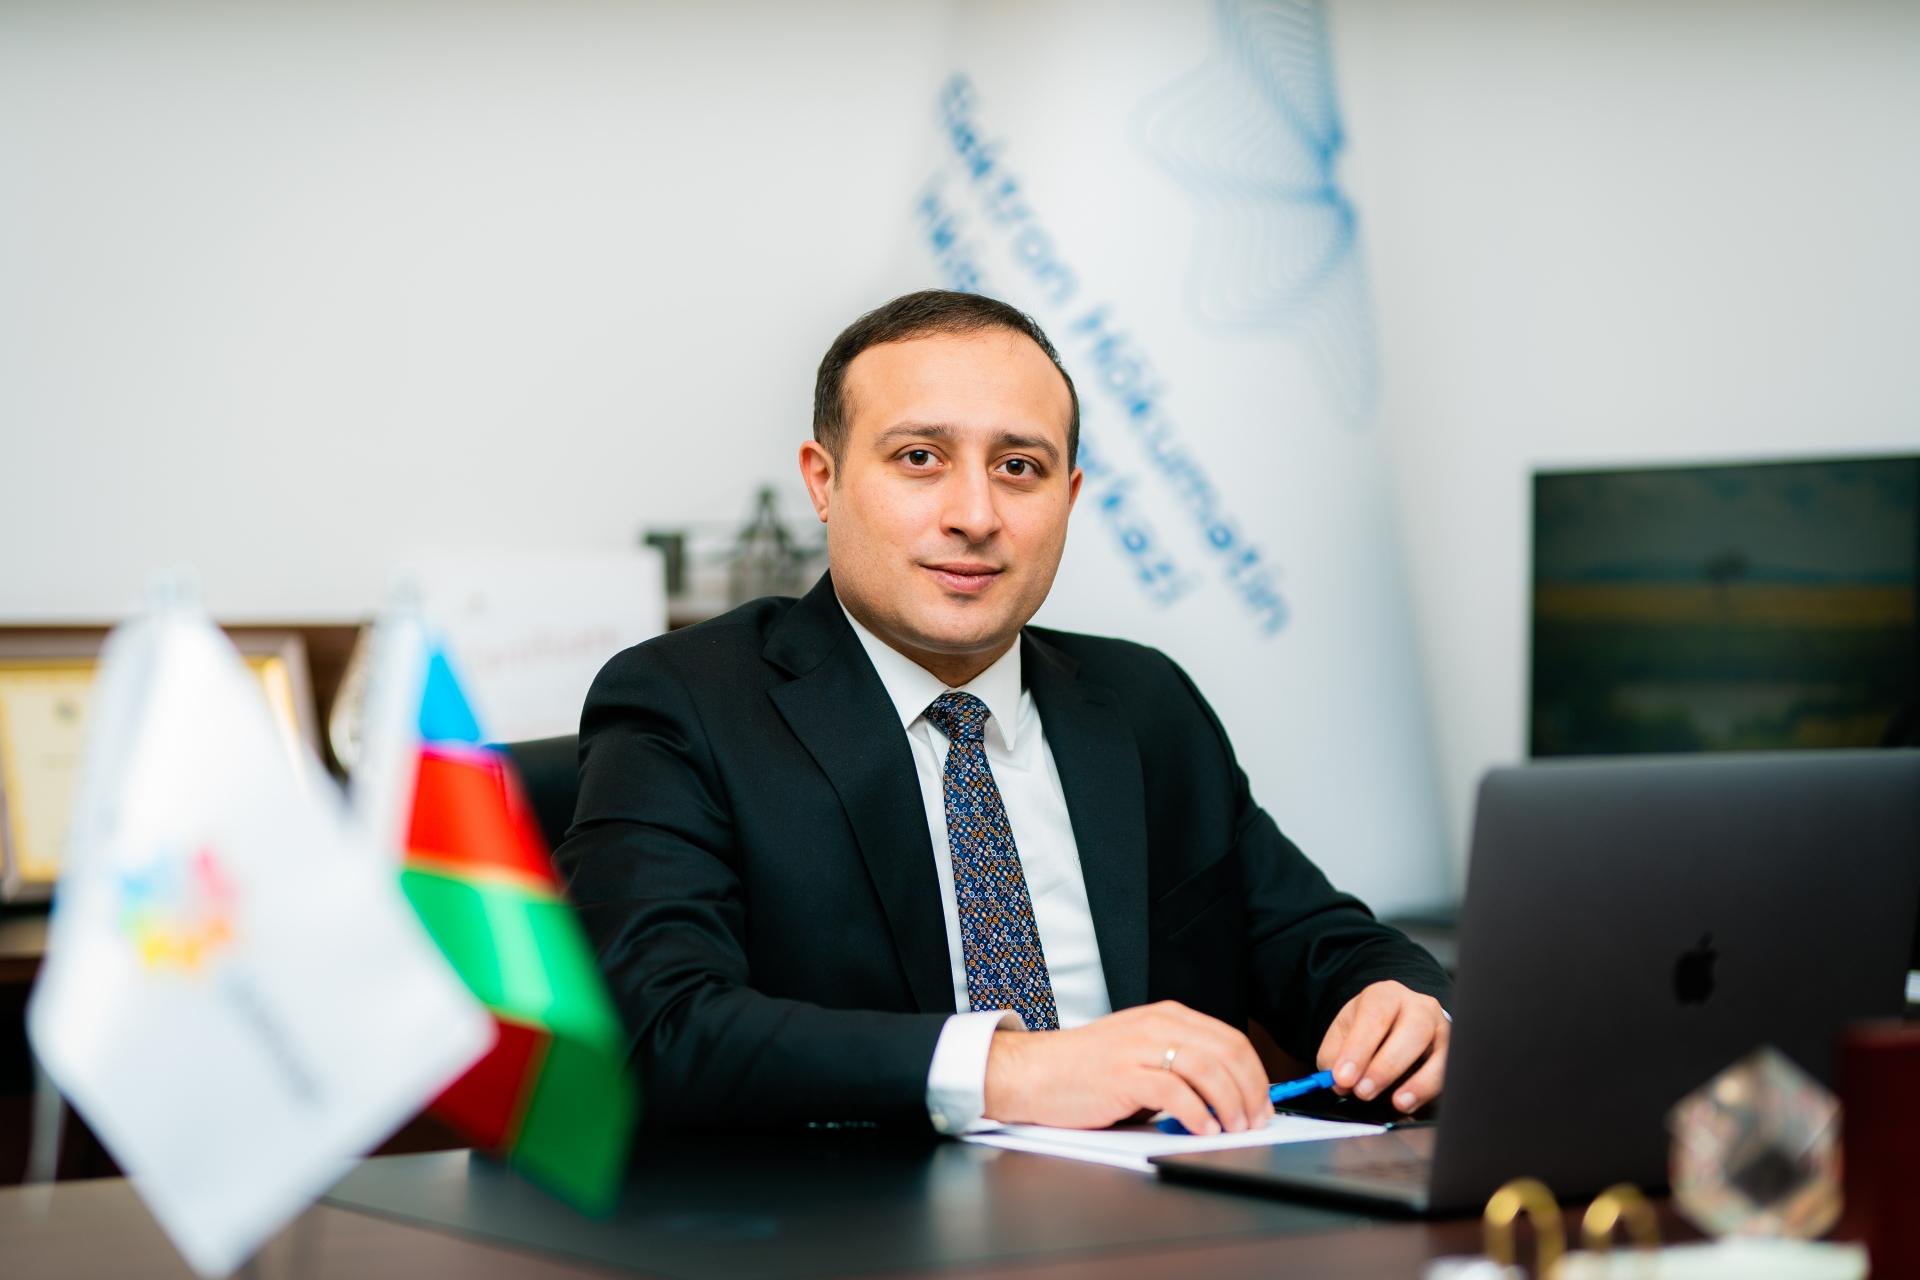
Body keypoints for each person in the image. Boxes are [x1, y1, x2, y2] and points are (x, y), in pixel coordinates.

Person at [556, 290, 1451, 1137]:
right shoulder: (690, 704)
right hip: (864, 1220)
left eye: (1019, 468)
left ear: (1069, 498)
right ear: (823, 481)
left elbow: (1323, 943)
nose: (976, 515)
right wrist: (1012, 1072)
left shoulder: (1144, 704)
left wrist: (1402, 1003)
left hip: (1166, 1213)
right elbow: (656, 1027)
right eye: (920, 458)